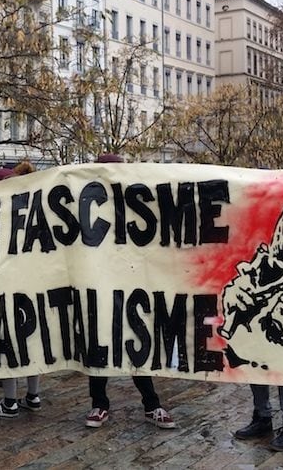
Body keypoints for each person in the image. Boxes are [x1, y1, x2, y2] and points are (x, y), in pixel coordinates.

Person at [83, 154, 176, 430]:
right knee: (100, 346)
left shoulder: (136, 205)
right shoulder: (91, 206)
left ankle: (151, 404)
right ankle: (99, 404)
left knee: (138, 343)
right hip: (100, 285)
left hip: (132, 285)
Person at [0, 167, 41, 417]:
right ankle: (33, 394)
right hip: (32, 285)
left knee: (7, 344)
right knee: (31, 342)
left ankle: (10, 401)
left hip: (6, 285)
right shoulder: (30, 208)